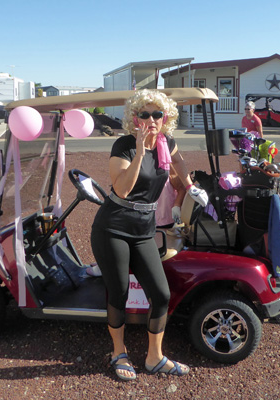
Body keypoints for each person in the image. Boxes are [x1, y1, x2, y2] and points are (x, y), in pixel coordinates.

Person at [90, 89, 208, 381]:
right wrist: (141, 151)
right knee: (119, 292)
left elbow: (179, 164)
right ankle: (119, 352)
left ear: (165, 118)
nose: (152, 120)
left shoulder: (168, 144)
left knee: (161, 293)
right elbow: (122, 189)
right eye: (145, 114)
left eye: (158, 114)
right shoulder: (125, 145)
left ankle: (154, 357)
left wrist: (191, 186)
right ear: (135, 118)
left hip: (144, 228)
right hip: (113, 227)